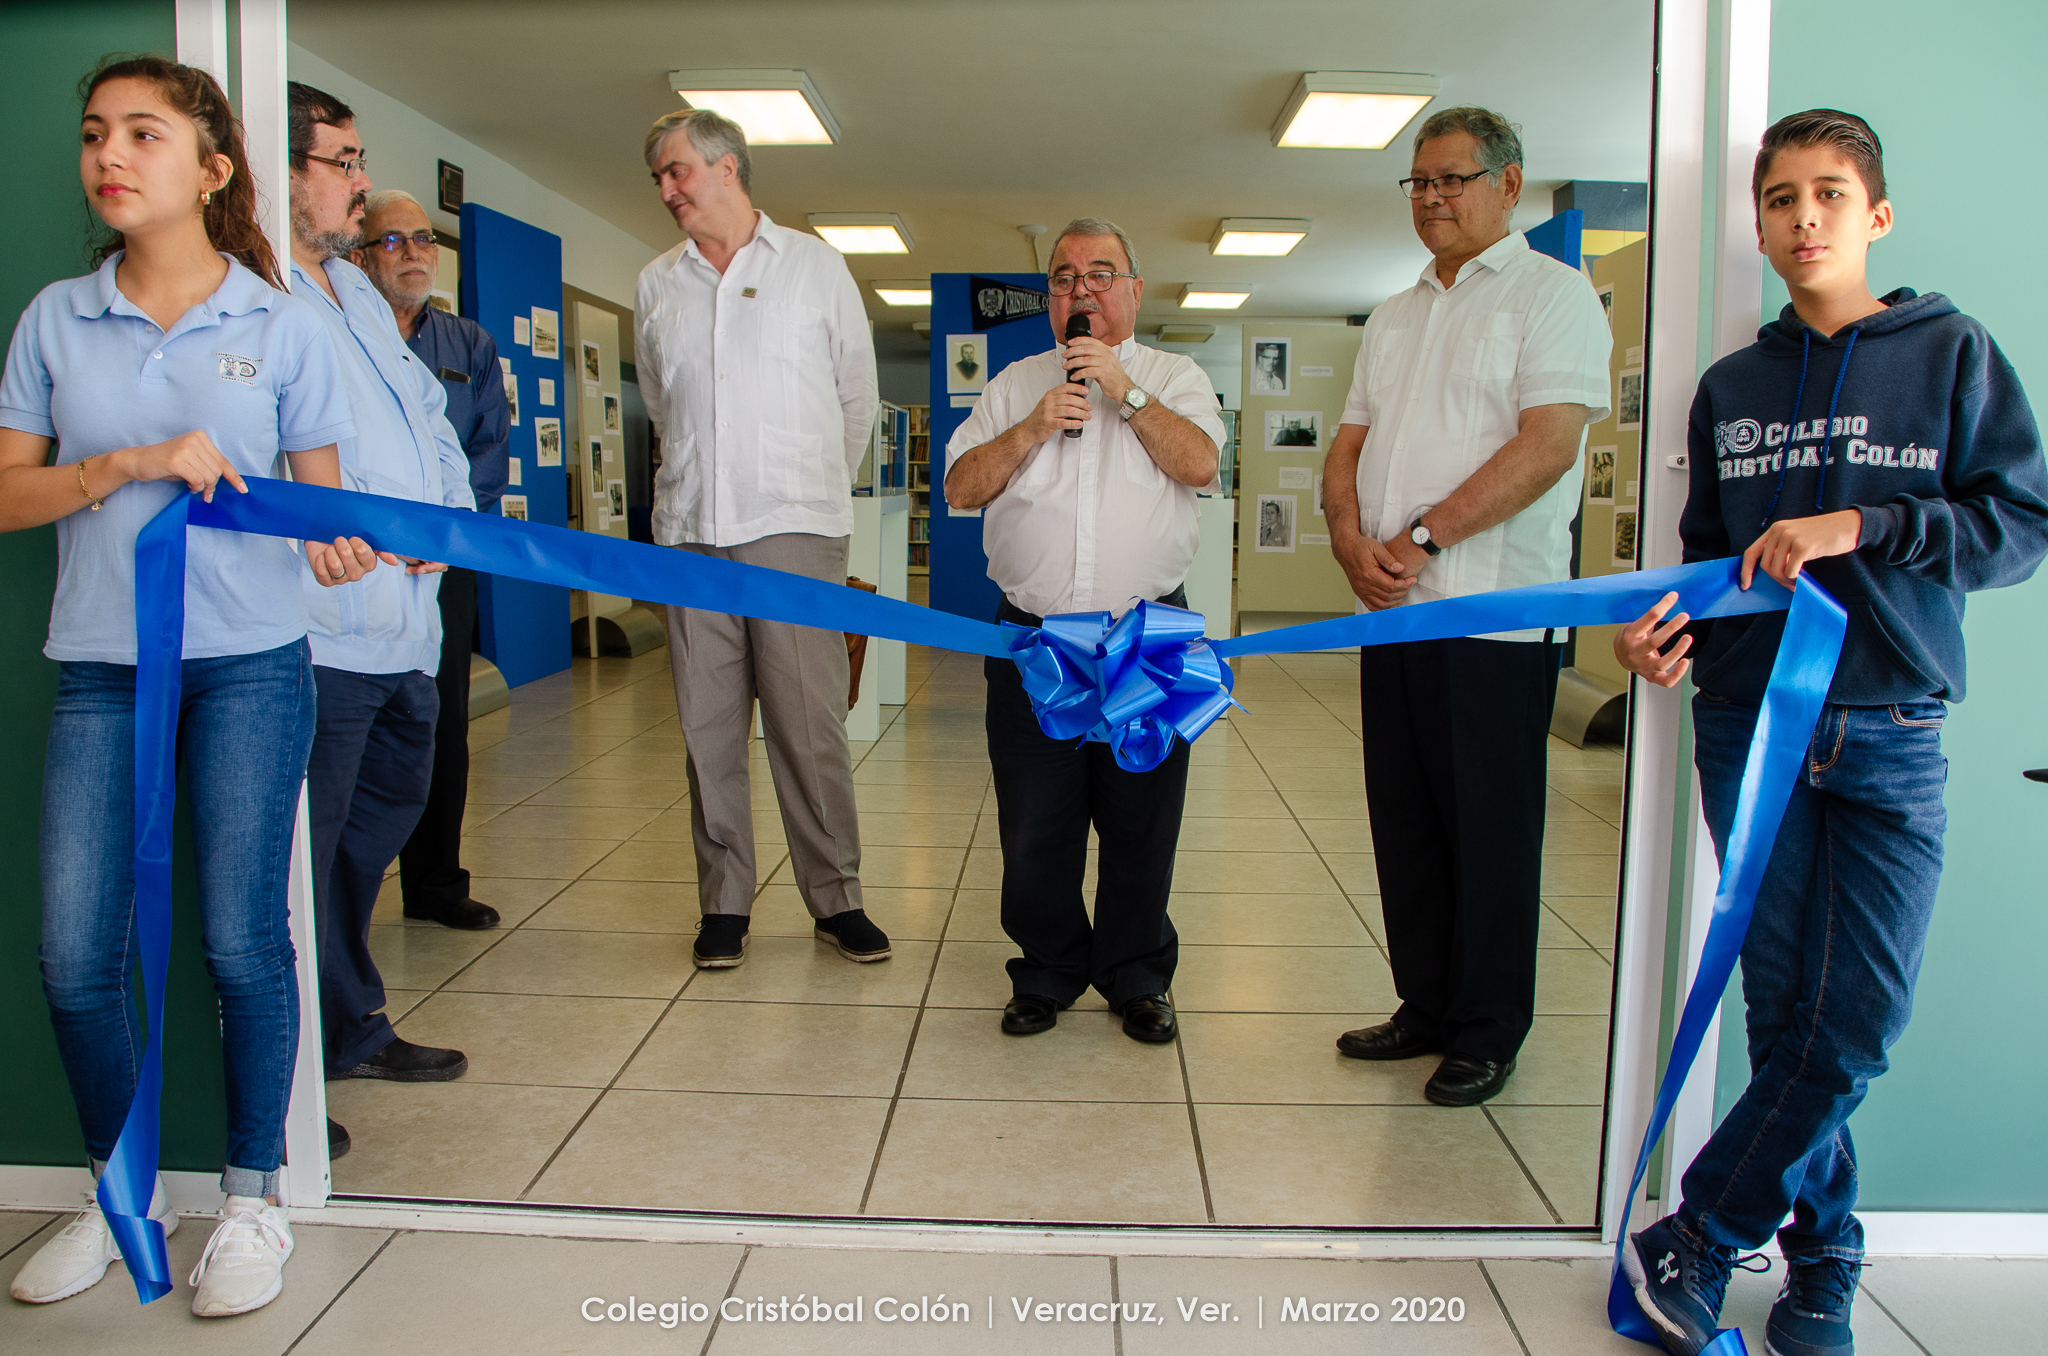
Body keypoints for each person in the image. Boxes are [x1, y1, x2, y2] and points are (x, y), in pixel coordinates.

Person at [1615, 109, 2047, 1356]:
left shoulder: (1949, 352)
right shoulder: (1730, 388)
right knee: (1783, 1019)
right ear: (1756, 225)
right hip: (1746, 728)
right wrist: (1658, 640)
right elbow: (1709, 566)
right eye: (1778, 199)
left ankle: (1701, 1229)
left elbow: (2018, 528)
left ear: (1875, 216)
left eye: (1826, 195)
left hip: (1889, 725)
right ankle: (1824, 1259)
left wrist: (1863, 523)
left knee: (1851, 1023)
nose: (1801, 218)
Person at [2, 56, 382, 1317]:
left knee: (238, 941)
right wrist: (121, 465)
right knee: (74, 956)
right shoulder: (55, 320)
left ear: (213, 170)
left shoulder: (283, 327)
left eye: (143, 134)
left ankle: (254, 1199)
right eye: (94, 134)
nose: (109, 156)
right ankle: (120, 1196)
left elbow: (317, 510)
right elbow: (7, 494)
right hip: (101, 673)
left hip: (247, 673)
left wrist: (339, 544)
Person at [1322, 106, 1611, 1107]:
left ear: (1507, 184)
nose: (1432, 198)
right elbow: (1350, 444)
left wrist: (1420, 538)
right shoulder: (1394, 314)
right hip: (1392, 610)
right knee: (1404, 821)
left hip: (1490, 617)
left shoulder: (1552, 295)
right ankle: (1427, 1006)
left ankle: (1488, 1027)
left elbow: (1547, 446)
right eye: (1419, 182)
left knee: (1488, 831)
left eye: (1452, 179)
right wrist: (1347, 538)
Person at [944, 218, 1225, 1043]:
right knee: (1037, 820)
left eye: (1102, 274)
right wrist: (1032, 427)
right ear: (1050, 297)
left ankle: (1137, 975)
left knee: (1144, 816)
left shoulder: (1175, 375)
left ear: (1134, 289)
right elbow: (960, 487)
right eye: (1065, 277)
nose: (1082, 290)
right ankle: (1047, 970)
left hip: (1149, 636)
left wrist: (1125, 392)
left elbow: (1202, 464)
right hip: (1035, 639)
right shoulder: (1014, 384)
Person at [632, 108, 888, 968]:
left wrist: (807, 492)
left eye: (677, 170)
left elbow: (856, 400)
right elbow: (664, 406)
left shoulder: (814, 267)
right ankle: (724, 904)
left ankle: (836, 897)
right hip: (691, 537)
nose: (667, 189)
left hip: (795, 533)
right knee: (707, 730)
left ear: (727, 167)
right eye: (659, 177)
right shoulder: (656, 285)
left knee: (809, 728)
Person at [286, 84, 475, 1109]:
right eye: (343, 162)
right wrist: (369, 530)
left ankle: (347, 1017)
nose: (359, 183)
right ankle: (306, 1058)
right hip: (323, 631)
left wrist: (445, 525)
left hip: (406, 624)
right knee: (304, 853)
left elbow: (429, 420)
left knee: (381, 823)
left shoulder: (357, 295)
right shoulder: (256, 293)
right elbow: (279, 452)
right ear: (279, 172)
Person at [353, 188, 511, 933]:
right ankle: (341, 896)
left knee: (441, 720)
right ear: (361, 255)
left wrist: (441, 535)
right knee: (355, 718)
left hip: (444, 561)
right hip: (356, 556)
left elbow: (487, 449)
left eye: (424, 239)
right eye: (393, 240)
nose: (414, 253)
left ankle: (436, 884)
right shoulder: (340, 335)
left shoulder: (468, 345)